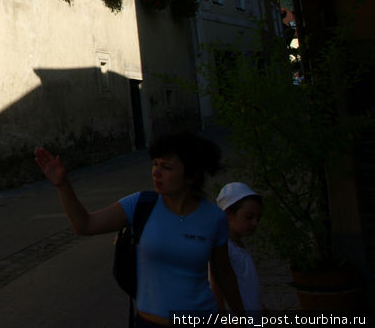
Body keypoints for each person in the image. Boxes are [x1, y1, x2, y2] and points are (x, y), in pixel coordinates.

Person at [35, 132, 245, 325]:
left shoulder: (213, 218)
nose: (156, 173)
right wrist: (62, 185)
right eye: (155, 164)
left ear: (191, 176)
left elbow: (224, 274)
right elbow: (85, 225)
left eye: (166, 167)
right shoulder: (140, 205)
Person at [212, 182, 264, 317]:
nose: (255, 224)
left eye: (258, 219)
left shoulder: (240, 247)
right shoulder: (222, 248)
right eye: (249, 217)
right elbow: (216, 287)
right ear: (228, 213)